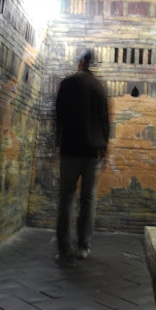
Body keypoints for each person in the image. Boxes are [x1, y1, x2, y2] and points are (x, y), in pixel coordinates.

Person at [55, 49, 110, 266]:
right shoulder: (99, 87)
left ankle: (64, 249)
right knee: (88, 199)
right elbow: (106, 122)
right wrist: (105, 149)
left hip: (70, 150)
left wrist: (56, 145)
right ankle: (83, 246)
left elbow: (58, 117)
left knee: (66, 199)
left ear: (80, 62)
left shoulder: (68, 82)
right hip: (93, 153)